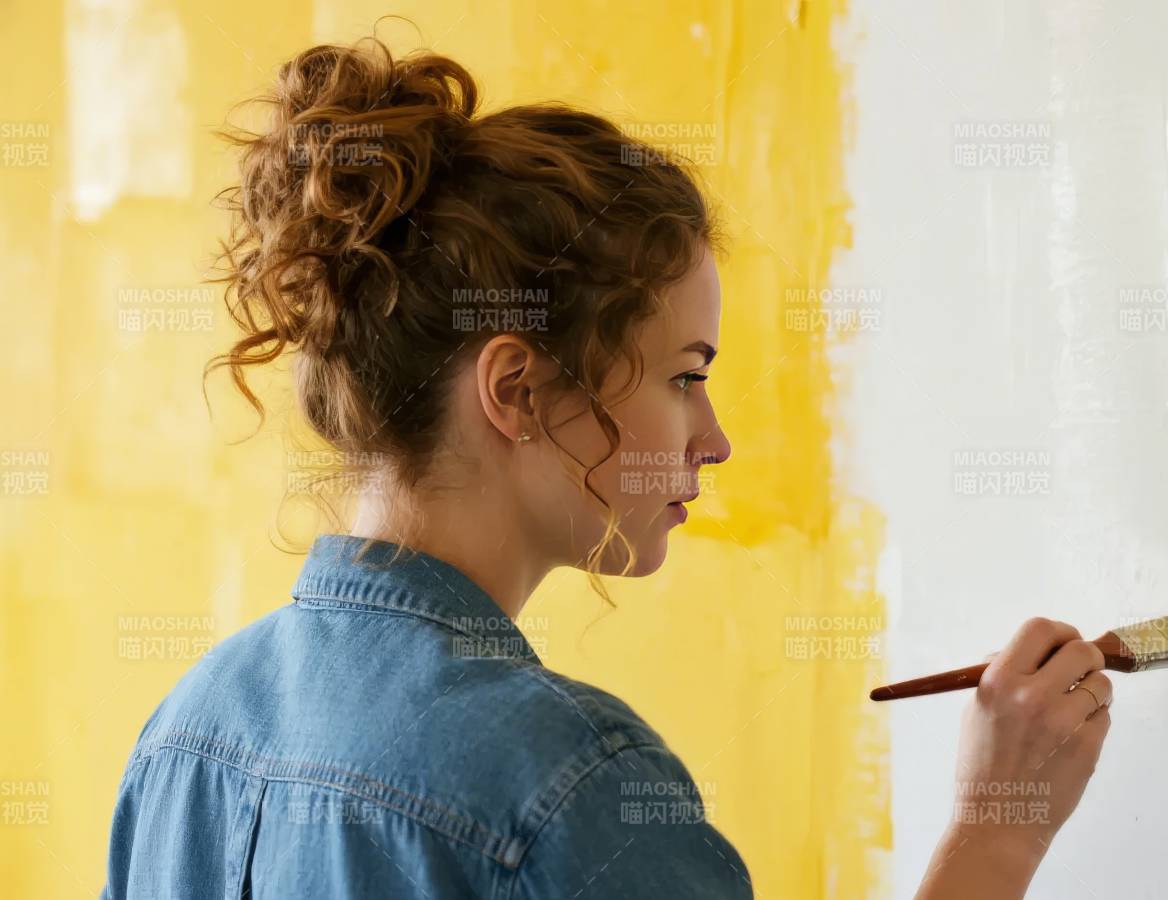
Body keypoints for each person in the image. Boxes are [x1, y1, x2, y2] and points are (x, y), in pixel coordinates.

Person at [100, 35, 1113, 899]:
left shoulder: (185, 733)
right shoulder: (570, 786)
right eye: (684, 377)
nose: (713, 439)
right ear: (518, 390)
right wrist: (999, 830)